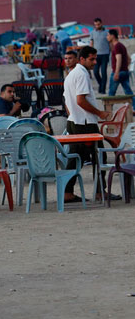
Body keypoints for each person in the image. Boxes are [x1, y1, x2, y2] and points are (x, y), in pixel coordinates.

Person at [63, 46, 116, 203]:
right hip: (84, 123)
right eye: (91, 59)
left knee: (76, 157)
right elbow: (80, 100)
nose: (95, 62)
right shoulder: (81, 75)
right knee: (99, 155)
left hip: (74, 120)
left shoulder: (72, 74)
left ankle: (67, 192)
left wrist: (73, 114)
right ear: (82, 59)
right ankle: (99, 192)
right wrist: (99, 113)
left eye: (95, 58)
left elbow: (68, 100)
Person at [107, 29, 132, 104]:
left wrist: (117, 72)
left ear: (112, 36)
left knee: (111, 93)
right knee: (128, 92)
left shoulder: (117, 46)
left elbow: (119, 59)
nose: (107, 37)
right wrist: (125, 67)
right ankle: (134, 108)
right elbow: (129, 59)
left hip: (118, 72)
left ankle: (108, 109)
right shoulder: (121, 45)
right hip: (124, 71)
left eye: (108, 35)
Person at [90, 18, 110, 94]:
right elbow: (91, 43)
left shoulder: (107, 32)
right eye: (95, 24)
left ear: (101, 23)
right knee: (95, 72)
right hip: (96, 55)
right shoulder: (92, 33)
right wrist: (90, 53)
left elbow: (110, 43)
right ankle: (101, 85)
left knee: (103, 72)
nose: (97, 26)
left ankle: (103, 89)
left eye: (98, 24)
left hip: (105, 54)